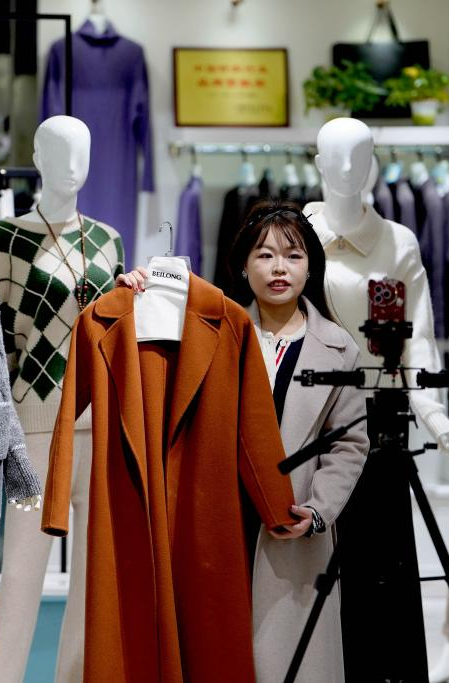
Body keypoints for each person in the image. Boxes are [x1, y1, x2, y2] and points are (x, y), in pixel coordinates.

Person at [118, 201, 368, 682]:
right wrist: (138, 293)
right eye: (265, 255)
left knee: (294, 661)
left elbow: (350, 442)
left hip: (294, 525)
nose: (279, 268)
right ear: (242, 264)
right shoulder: (211, 333)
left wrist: (318, 510)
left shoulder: (340, 347)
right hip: (220, 521)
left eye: (293, 256)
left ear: (311, 266)